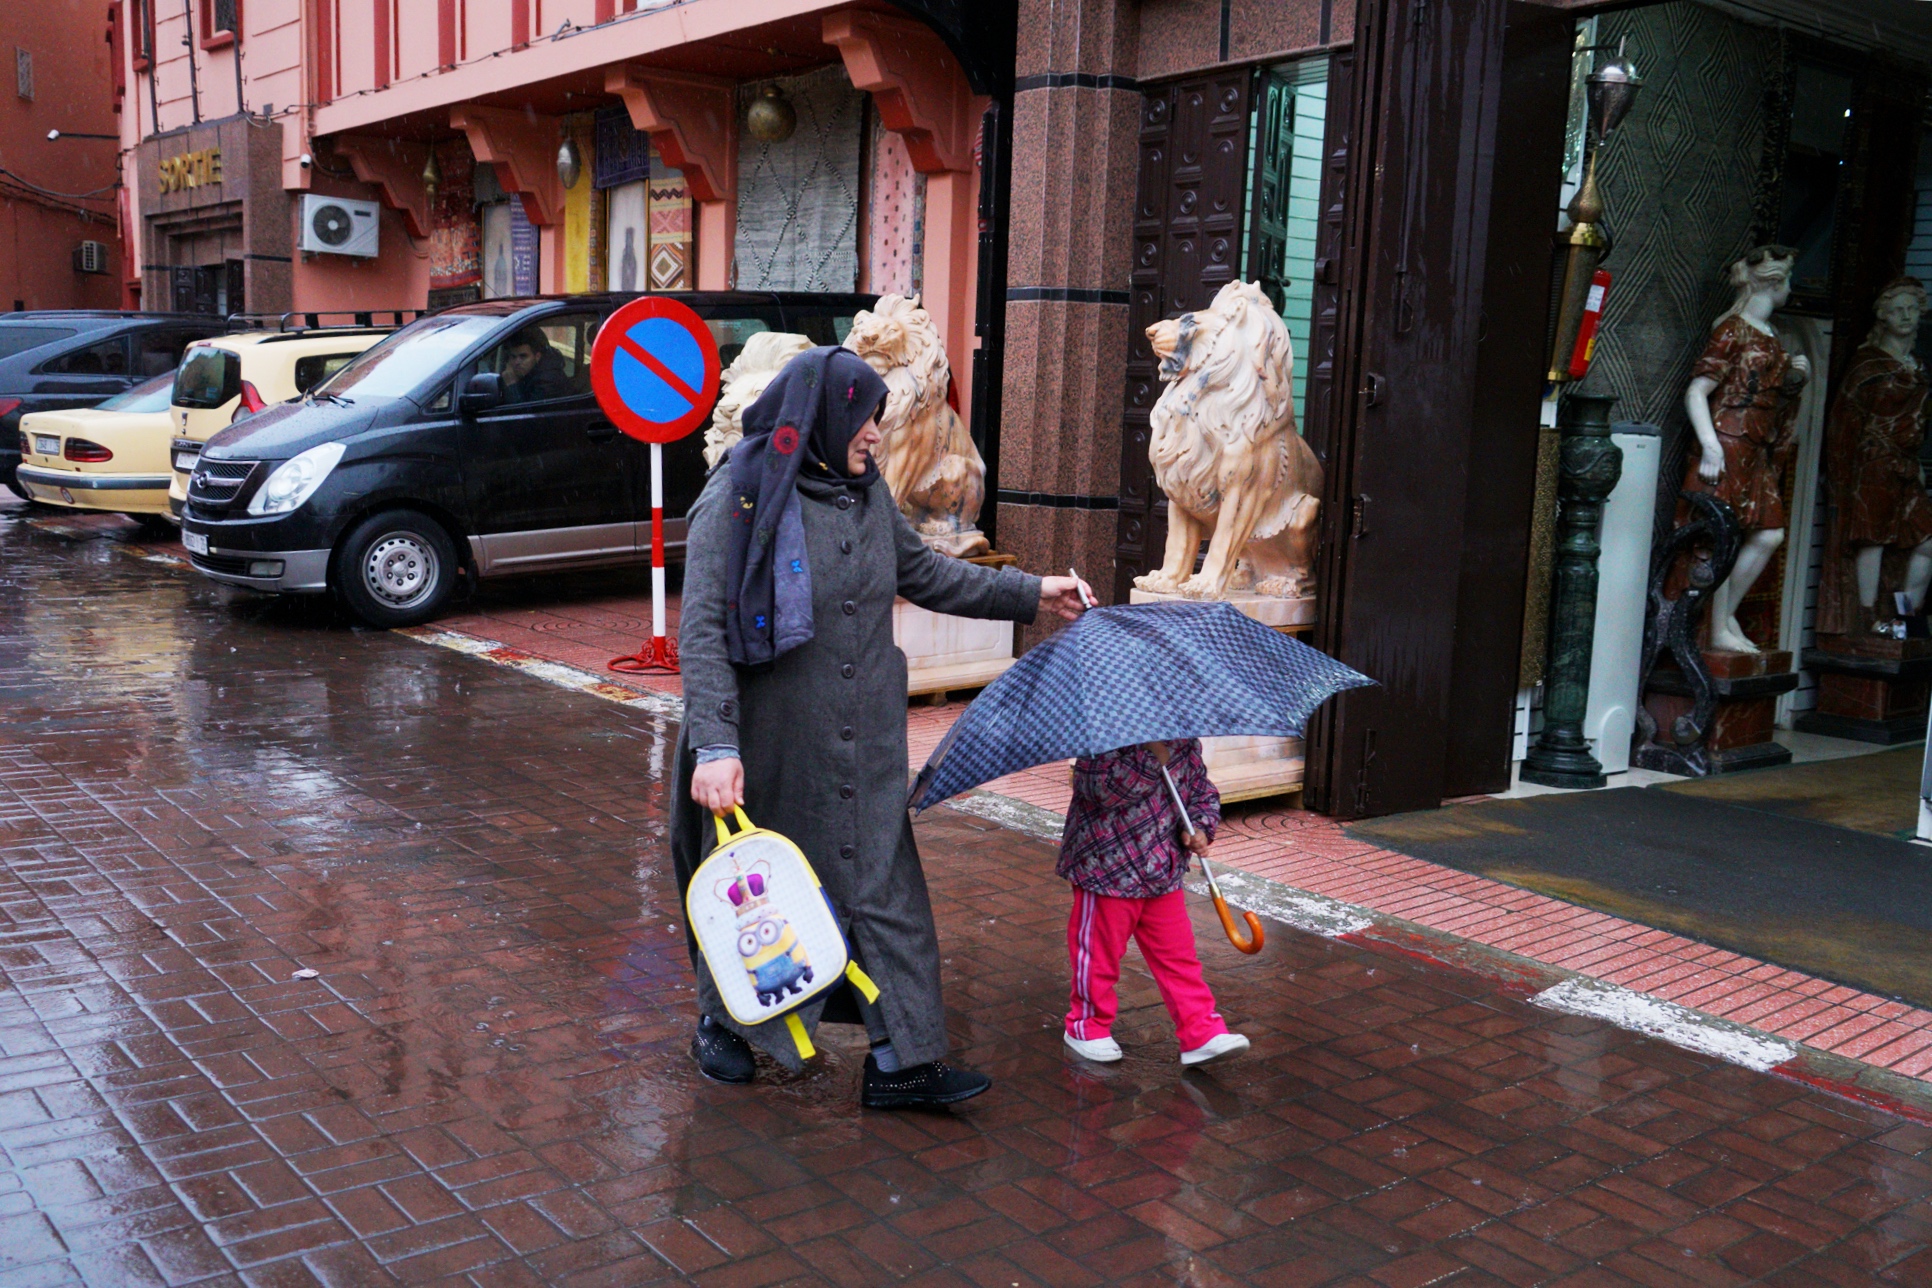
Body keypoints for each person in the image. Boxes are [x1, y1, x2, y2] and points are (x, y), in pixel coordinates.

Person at [672, 345, 1091, 1108]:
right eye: (866, 417)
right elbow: (700, 632)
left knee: (884, 892)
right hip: (769, 744)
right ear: (825, 416)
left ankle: (904, 1061)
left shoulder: (864, 494)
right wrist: (717, 746)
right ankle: (724, 1024)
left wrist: (1034, 593)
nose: (875, 434)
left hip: (863, 742)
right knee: (760, 899)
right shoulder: (737, 496)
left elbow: (928, 573)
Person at [1058, 739, 1250, 1067]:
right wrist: (1149, 760)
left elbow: (1201, 790)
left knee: (1179, 957)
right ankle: (1086, 1026)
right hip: (1107, 870)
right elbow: (1099, 791)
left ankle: (1200, 1030)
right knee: (1099, 955)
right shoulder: (1103, 739)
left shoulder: (1183, 741)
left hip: (1162, 869)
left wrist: (1200, 827)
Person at [499, 328, 569, 403]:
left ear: (537, 357)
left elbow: (524, 412)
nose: (517, 362)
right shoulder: (530, 374)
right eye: (513, 357)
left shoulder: (547, 381)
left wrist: (512, 385)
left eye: (523, 356)